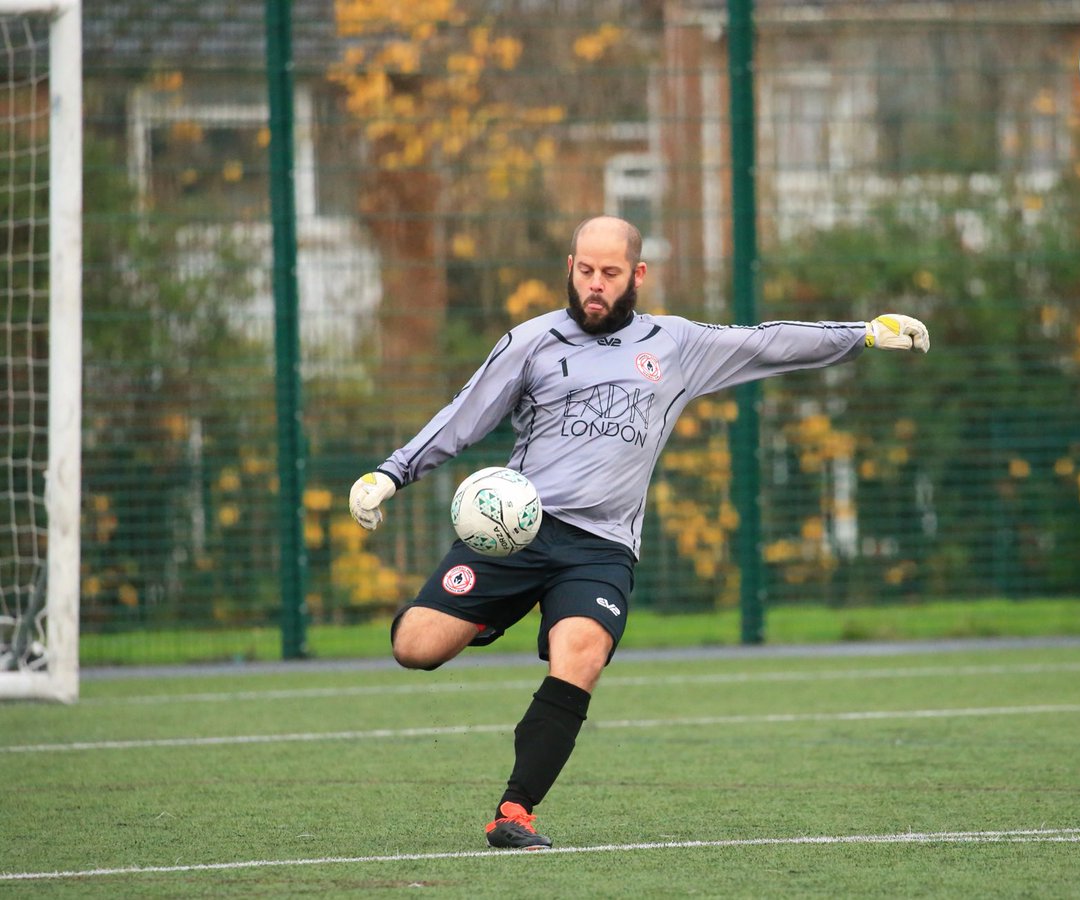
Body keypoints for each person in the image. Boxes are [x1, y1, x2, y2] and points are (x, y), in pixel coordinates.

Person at [348, 215, 930, 850]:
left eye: (610, 274)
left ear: (637, 276)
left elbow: (768, 343)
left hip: (601, 547)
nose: (595, 285)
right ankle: (492, 614)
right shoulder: (531, 341)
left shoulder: (675, 344)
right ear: (570, 266)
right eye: (585, 271)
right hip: (517, 533)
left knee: (582, 656)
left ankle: (514, 812)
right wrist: (390, 474)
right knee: (416, 646)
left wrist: (864, 335)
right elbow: (463, 415)